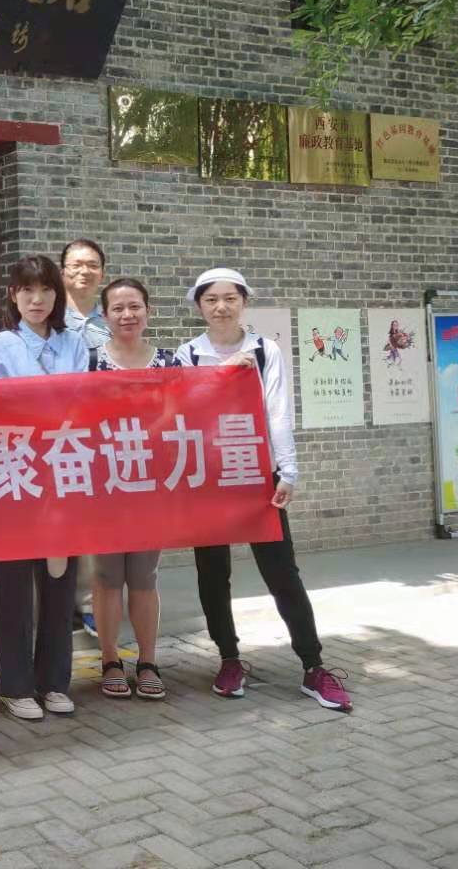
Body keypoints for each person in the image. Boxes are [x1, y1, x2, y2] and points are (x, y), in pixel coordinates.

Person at [174, 268, 352, 712]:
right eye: (211, 299)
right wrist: (223, 373)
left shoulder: (264, 350)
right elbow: (185, 410)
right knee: (213, 574)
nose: (221, 307)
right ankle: (229, 659)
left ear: (244, 302)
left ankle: (313, 665)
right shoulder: (187, 353)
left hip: (256, 474)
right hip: (208, 477)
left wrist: (287, 470)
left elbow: (277, 411)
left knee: (282, 572)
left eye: (230, 298)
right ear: (199, 306)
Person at [0, 255, 89, 722]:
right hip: (15, 471)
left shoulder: (74, 343)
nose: (37, 299)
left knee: (59, 582)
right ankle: (15, 685)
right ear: (13, 295)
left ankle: (55, 681)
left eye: (46, 289)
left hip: (63, 471)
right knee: (12, 583)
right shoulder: (1, 344)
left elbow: (80, 401)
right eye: (27, 290)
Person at [87, 278, 176, 702]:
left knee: (144, 575)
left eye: (135, 306)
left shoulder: (169, 361)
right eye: (118, 308)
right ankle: (109, 659)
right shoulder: (90, 362)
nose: (127, 315)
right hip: (104, 485)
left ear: (148, 311)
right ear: (104, 315)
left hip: (150, 485)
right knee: (107, 576)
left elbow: (183, 413)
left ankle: (148, 660)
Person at [61, 238, 110, 641]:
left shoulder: (112, 317)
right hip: (57, 432)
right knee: (61, 518)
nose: (84, 271)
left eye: (92, 264)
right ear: (62, 272)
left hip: (102, 432)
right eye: (76, 264)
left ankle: (91, 604)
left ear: (102, 273)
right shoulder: (48, 317)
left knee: (95, 520)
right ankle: (60, 604)